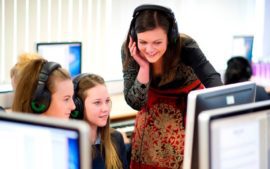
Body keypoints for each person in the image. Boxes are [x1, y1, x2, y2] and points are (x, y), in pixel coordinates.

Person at [121, 4, 222, 168]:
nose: (150, 49)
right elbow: (135, 102)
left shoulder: (185, 45)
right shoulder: (130, 49)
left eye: (157, 42)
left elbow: (211, 78)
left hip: (186, 113)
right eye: (143, 42)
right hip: (151, 118)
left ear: (171, 37)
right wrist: (144, 68)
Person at [70, 73, 128, 169]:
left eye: (107, 101)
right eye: (97, 102)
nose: (105, 109)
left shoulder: (116, 139)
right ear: (78, 106)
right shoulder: (70, 147)